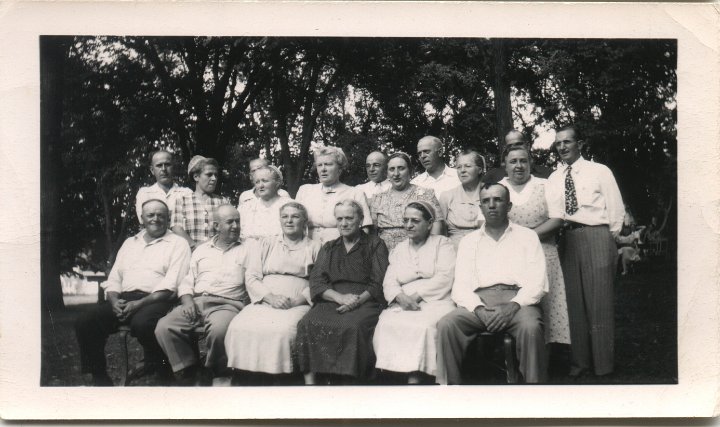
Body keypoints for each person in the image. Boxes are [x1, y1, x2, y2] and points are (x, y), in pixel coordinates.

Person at [436, 183, 548, 384]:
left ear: (509, 206)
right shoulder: (469, 241)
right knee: (447, 324)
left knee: (531, 328)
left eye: (498, 200)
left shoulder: (528, 237)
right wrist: (478, 308)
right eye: (486, 201)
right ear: (481, 207)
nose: (492, 205)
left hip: (518, 301)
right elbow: (461, 285)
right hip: (480, 302)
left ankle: (535, 391)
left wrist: (513, 306)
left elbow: (537, 282)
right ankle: (450, 392)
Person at [75, 200, 191, 385]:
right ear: (142, 219)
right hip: (124, 299)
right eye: (150, 215)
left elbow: (172, 284)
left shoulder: (178, 244)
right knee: (86, 321)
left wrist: (139, 304)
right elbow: (114, 278)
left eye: (161, 215)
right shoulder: (130, 243)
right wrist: (114, 300)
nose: (156, 219)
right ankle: (100, 377)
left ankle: (161, 371)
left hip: (157, 299)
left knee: (143, 324)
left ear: (168, 218)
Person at [545, 125, 625, 377]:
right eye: (558, 143)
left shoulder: (599, 171)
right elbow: (555, 214)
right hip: (568, 239)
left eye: (568, 141)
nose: (563, 147)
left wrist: (609, 239)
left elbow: (616, 208)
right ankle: (580, 363)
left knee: (599, 303)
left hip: (597, 235)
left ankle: (604, 365)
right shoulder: (554, 178)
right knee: (574, 303)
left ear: (579, 144)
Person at [295, 200, 389, 384]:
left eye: (349, 218)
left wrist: (357, 301)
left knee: (353, 326)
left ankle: (350, 383)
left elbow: (378, 281)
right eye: (339, 219)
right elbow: (316, 280)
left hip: (365, 300)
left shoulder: (375, 244)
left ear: (361, 219)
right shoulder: (329, 247)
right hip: (333, 298)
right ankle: (311, 383)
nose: (344, 223)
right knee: (307, 323)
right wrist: (339, 298)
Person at [154, 205, 249, 386]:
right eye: (230, 222)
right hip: (197, 301)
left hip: (228, 304)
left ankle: (220, 372)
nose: (236, 226)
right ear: (216, 226)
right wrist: (187, 300)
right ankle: (191, 371)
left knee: (219, 330)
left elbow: (252, 280)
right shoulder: (201, 250)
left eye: (238, 221)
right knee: (164, 326)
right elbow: (187, 280)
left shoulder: (247, 249)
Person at [224, 202, 321, 376]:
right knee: (239, 326)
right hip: (266, 299)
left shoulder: (314, 246)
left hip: (296, 301)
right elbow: (252, 277)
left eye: (295, 216)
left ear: (304, 221)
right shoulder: (266, 244)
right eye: (285, 217)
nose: (289, 221)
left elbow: (319, 280)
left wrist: (296, 301)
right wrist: (270, 297)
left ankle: (279, 376)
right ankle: (245, 376)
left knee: (282, 331)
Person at [373, 202, 456, 384]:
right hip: (403, 300)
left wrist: (417, 296)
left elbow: (445, 276)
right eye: (406, 220)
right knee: (386, 323)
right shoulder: (399, 248)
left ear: (430, 223)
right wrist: (399, 296)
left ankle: (417, 378)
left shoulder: (443, 244)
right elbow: (390, 279)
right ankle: (393, 377)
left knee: (423, 327)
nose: (408, 225)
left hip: (436, 300)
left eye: (415, 221)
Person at [499, 145, 570, 346]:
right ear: (505, 165)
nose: (519, 166)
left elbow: (557, 219)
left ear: (530, 163)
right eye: (513, 162)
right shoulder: (498, 188)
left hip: (544, 252)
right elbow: (484, 222)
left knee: (546, 301)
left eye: (524, 161)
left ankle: (548, 352)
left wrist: (527, 236)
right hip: (509, 255)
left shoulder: (545, 185)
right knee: (516, 304)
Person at [295, 146, 373, 244]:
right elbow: (294, 222)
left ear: (340, 168)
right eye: (319, 165)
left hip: (341, 250)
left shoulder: (354, 193)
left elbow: (365, 228)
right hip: (308, 249)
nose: (323, 169)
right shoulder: (305, 191)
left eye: (328, 164)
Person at [370, 152, 443, 251]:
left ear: (410, 171)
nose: (396, 174)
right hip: (384, 255)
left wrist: (429, 252)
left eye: (401, 168)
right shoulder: (378, 199)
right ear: (387, 173)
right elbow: (373, 233)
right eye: (392, 169)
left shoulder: (425, 194)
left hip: (418, 252)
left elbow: (437, 225)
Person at [171, 156, 230, 250]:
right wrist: (194, 246)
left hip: (217, 254)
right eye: (209, 174)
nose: (214, 178)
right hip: (189, 253)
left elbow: (228, 229)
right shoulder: (182, 201)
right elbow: (176, 228)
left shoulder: (223, 202)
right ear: (196, 177)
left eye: (216, 175)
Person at [438, 150, 487, 250]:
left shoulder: (490, 193)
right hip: (454, 252)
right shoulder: (447, 196)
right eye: (459, 167)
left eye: (468, 166)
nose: (462, 170)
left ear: (480, 170)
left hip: (485, 249)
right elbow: (440, 232)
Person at [135, 150, 192, 224]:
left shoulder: (187, 193)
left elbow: (190, 222)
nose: (164, 169)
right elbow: (144, 222)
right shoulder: (144, 193)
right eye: (159, 165)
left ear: (173, 167)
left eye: (167, 164)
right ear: (152, 170)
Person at [238, 165, 292, 242]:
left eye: (265, 181)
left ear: (277, 183)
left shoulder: (290, 206)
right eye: (257, 182)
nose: (261, 185)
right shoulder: (246, 208)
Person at [482, 130, 552, 184]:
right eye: (510, 146)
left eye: (518, 144)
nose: (514, 147)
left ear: (527, 146)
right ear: (505, 148)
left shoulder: (547, 173)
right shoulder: (493, 176)